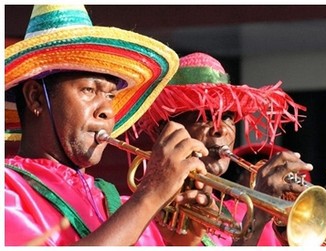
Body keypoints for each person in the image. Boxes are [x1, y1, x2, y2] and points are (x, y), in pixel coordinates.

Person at [4, 5, 205, 246]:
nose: (108, 111)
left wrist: (183, 242)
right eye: (89, 90)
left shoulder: (119, 206)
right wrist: (151, 193)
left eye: (110, 96)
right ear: (36, 97)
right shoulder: (9, 189)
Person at [131, 52, 318, 246]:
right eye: (204, 116)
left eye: (227, 116)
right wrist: (259, 217)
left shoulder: (243, 213)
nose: (220, 129)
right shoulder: (128, 215)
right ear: (165, 131)